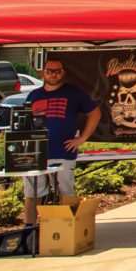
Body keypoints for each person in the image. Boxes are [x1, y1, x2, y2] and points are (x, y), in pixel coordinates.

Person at [25, 56, 99, 202]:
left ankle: (69, 224)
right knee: (32, 194)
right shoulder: (33, 95)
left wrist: (82, 138)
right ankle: (30, 224)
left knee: (65, 192)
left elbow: (95, 112)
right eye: (49, 71)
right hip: (36, 153)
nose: (53, 74)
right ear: (42, 73)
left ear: (63, 72)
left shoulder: (73, 93)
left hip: (63, 152)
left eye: (57, 71)